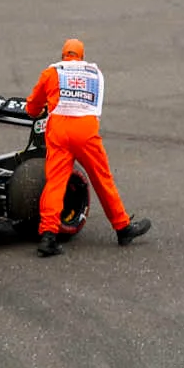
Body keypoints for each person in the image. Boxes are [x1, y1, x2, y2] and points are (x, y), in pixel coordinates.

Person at [27, 39, 151, 256]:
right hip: (85, 132)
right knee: (102, 179)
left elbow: (32, 108)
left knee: (55, 183)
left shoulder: (52, 72)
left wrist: (39, 108)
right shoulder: (94, 73)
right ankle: (122, 228)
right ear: (81, 57)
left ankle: (48, 236)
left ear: (63, 55)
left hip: (58, 132)